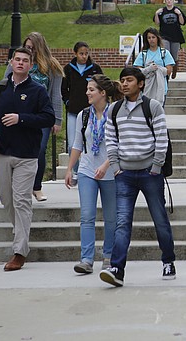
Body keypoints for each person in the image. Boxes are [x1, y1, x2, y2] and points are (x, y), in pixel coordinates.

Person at [100, 67, 176, 287]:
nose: (124, 84)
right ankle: (117, 269)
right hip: (124, 174)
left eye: (129, 80)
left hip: (149, 173)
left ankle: (168, 260)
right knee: (122, 222)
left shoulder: (152, 107)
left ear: (140, 84)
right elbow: (111, 140)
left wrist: (156, 166)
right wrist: (115, 167)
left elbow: (162, 139)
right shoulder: (114, 110)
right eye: (122, 80)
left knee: (159, 218)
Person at [0, 47, 55, 271]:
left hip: (26, 156)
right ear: (11, 62)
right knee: (7, 199)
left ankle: (20, 251)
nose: (21, 63)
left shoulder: (38, 90)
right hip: (2, 152)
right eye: (17, 59)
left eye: (25, 60)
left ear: (32, 65)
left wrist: (21, 118)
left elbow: (48, 117)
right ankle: (20, 233)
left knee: (21, 200)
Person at [65, 74, 120, 275]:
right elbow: (77, 145)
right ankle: (86, 259)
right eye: (87, 89)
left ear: (103, 93)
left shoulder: (115, 113)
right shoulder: (84, 115)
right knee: (86, 216)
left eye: (91, 90)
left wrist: (107, 165)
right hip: (88, 170)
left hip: (111, 172)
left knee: (111, 217)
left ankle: (109, 256)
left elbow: (121, 144)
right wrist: (70, 169)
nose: (87, 93)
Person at [6, 32, 63, 203]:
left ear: (40, 47)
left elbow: (56, 95)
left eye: (32, 48)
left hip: (41, 115)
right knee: (17, 150)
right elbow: (5, 86)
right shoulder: (17, 63)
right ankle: (19, 187)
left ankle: (37, 187)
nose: (29, 51)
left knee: (39, 149)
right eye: (27, 47)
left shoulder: (52, 67)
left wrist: (57, 119)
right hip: (18, 114)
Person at [62, 41, 103, 156]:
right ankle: (75, 171)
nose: (84, 56)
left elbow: (102, 86)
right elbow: (63, 89)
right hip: (73, 111)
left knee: (89, 143)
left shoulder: (95, 68)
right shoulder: (68, 69)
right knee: (72, 145)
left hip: (91, 111)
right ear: (75, 53)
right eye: (81, 53)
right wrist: (68, 101)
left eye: (86, 53)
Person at [133, 27, 176, 106]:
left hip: (161, 87)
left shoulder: (164, 53)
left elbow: (169, 70)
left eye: (153, 37)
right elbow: (137, 70)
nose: (151, 40)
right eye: (149, 38)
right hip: (147, 88)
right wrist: (148, 69)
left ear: (157, 38)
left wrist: (158, 69)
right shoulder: (143, 54)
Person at [154, 0, 186, 79]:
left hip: (176, 36)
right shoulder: (161, 11)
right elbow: (157, 23)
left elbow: (182, 22)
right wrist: (156, 14)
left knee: (174, 56)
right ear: (164, 1)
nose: (169, 1)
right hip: (164, 35)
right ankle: (167, 72)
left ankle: (174, 70)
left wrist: (179, 15)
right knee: (166, 54)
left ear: (173, 1)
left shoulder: (177, 10)